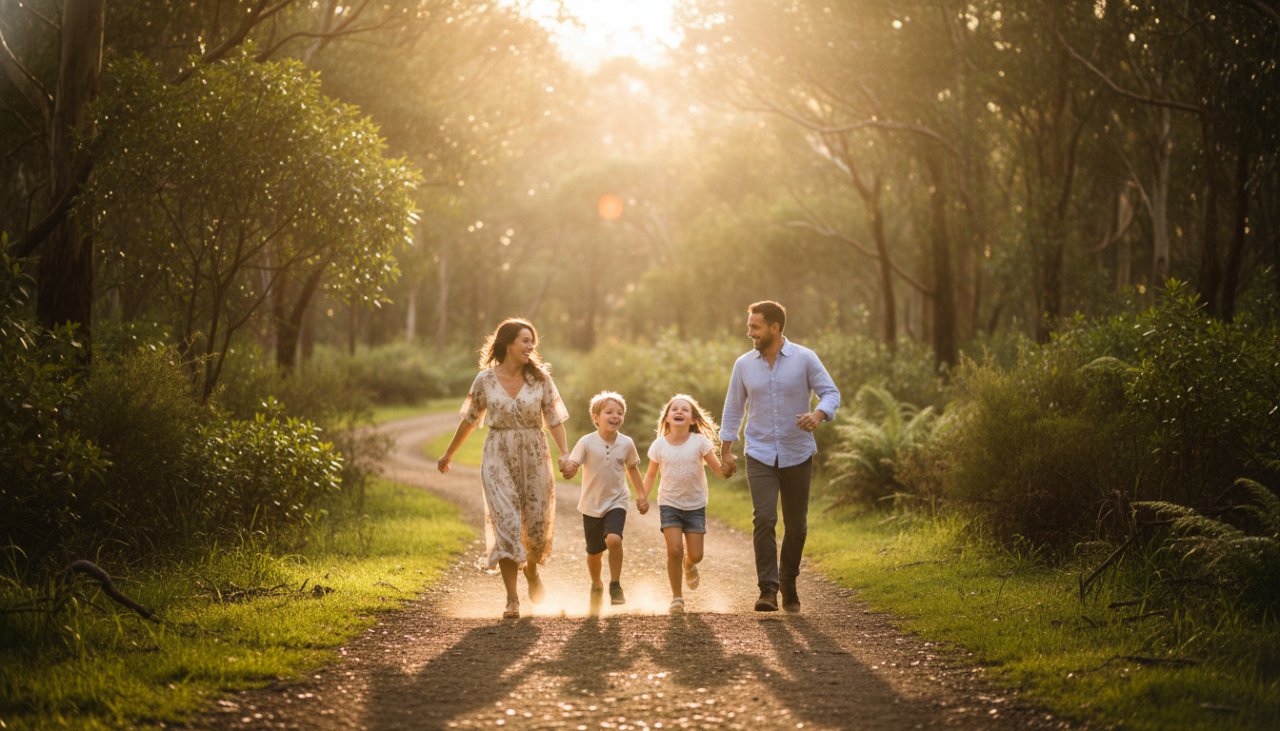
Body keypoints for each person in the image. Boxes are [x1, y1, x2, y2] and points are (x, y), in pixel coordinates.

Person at [437, 317, 570, 619]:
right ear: (508, 344)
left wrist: (565, 454)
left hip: (535, 455)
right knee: (506, 523)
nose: (531, 346)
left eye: (532, 341)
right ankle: (512, 599)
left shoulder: (541, 380)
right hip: (498, 454)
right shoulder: (484, 380)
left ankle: (532, 571)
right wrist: (449, 453)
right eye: (525, 340)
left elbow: (554, 419)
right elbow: (470, 418)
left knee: (534, 527)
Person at [720, 301, 840, 613]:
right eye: (749, 327)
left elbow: (831, 393)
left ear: (775, 328)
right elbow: (734, 408)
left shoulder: (805, 358)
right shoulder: (744, 365)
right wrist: (726, 451)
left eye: (755, 327)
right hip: (759, 452)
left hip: (797, 452)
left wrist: (818, 414)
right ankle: (768, 590)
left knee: (797, 525)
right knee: (764, 519)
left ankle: (788, 579)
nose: (750, 333)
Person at [639, 393, 726, 614]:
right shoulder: (659, 445)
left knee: (696, 554)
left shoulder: (700, 443)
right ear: (667, 418)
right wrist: (643, 495)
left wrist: (728, 466)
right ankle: (677, 597)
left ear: (693, 420)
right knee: (674, 550)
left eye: (685, 409)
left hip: (695, 505)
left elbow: (718, 470)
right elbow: (650, 475)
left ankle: (690, 565)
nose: (679, 411)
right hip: (669, 503)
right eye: (674, 409)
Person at [560, 391, 648, 606]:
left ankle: (615, 584)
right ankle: (597, 582)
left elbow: (633, 469)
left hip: (617, 500)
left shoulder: (626, 443)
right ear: (596, 417)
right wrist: (568, 469)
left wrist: (641, 495)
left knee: (614, 539)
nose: (615, 416)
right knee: (594, 553)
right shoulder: (586, 442)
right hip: (591, 504)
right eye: (609, 412)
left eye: (620, 412)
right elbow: (573, 466)